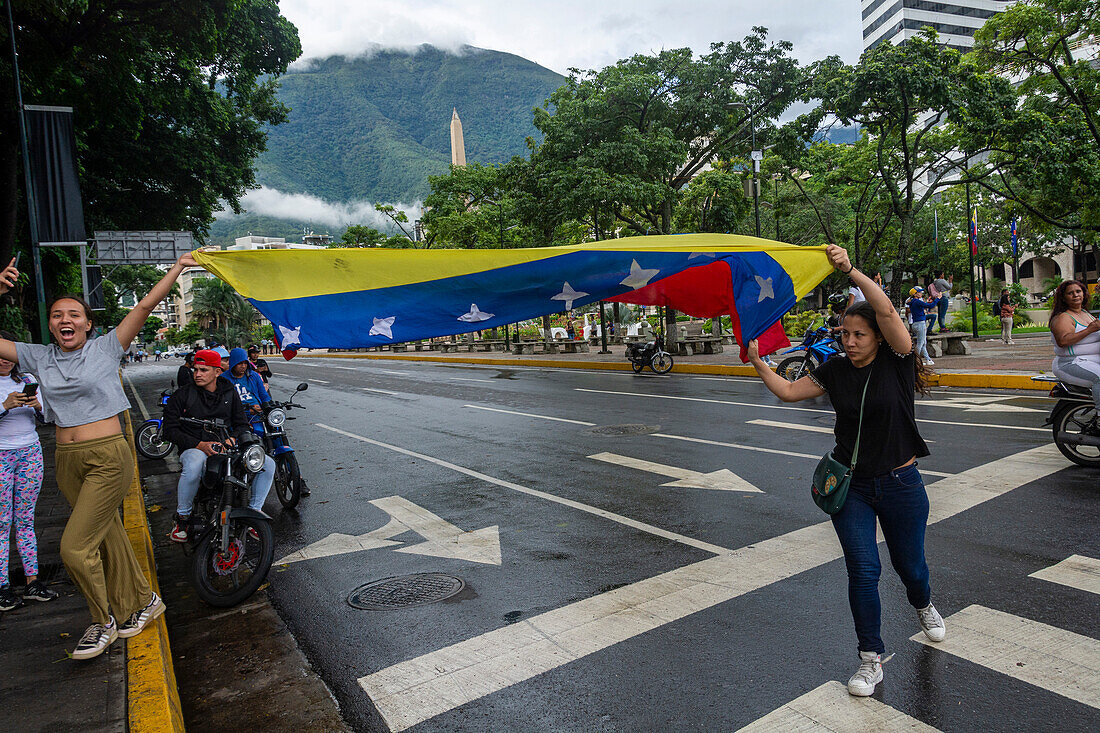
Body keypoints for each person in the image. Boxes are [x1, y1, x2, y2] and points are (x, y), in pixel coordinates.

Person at [746, 244, 944, 698]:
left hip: (900, 483)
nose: (849, 340)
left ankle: (923, 603)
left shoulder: (897, 361)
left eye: (858, 333)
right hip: (851, 486)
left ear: (877, 335)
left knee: (910, 566)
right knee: (862, 569)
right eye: (844, 334)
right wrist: (758, 361)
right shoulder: (834, 370)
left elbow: (889, 310)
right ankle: (870, 659)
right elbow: (790, 392)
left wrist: (851, 270)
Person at [0, 251, 201, 659]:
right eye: (57, 315)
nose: (64, 320)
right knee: (107, 537)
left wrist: (177, 268)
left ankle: (102, 621)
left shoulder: (107, 348)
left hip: (108, 457)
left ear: (88, 324)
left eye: (74, 314)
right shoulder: (38, 356)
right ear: (52, 325)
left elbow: (144, 305)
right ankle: (144, 602)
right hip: (67, 461)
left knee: (75, 547)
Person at [162, 349, 275, 543]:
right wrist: (199, 444)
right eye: (196, 369)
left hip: (226, 446)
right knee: (193, 466)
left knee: (267, 464)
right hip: (194, 448)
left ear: (217, 371)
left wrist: (232, 438)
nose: (198, 374)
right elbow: (169, 430)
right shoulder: (182, 395)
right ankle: (182, 518)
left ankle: (253, 512)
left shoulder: (229, 391)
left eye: (204, 370)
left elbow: (241, 423)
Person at [0, 335, 56, 611]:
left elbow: (48, 416)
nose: (4, 360)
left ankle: (33, 580)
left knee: (25, 519)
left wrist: (38, 406)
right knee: (1, 522)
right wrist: (4, 406)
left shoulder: (26, 379)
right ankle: (2, 586)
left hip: (30, 452)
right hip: (1, 455)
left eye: (8, 355)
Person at [1050, 280, 1100, 412]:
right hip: (1071, 363)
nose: (1075, 295)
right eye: (1070, 293)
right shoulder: (1063, 317)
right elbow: (1063, 341)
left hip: (1093, 361)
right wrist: (1089, 330)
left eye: (1078, 291)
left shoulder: (1085, 313)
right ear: (1064, 298)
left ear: (1084, 294)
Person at [225, 347, 271, 415]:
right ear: (233, 363)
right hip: (236, 415)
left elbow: (263, 395)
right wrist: (247, 411)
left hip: (257, 413)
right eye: (240, 363)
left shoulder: (254, 375)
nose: (243, 366)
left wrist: (268, 405)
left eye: (245, 363)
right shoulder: (224, 379)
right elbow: (225, 404)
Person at [906, 286, 934, 366]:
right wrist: (938, 299)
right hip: (920, 323)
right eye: (919, 292)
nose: (921, 293)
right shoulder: (917, 302)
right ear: (915, 294)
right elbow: (930, 306)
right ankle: (915, 360)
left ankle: (928, 359)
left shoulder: (911, 302)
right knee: (920, 343)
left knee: (923, 343)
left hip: (915, 324)